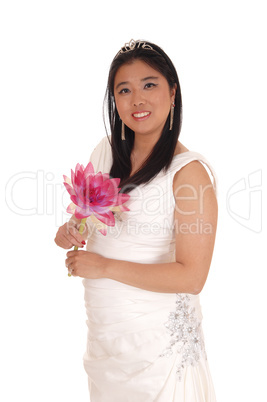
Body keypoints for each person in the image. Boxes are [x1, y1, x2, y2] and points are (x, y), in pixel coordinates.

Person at [55, 39, 218, 401]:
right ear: (114, 100)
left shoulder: (188, 174)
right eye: (124, 90)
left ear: (172, 92)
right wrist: (70, 231)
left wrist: (104, 266)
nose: (137, 100)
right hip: (106, 339)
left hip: (157, 346)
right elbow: (83, 222)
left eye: (149, 85)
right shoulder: (106, 151)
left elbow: (192, 277)